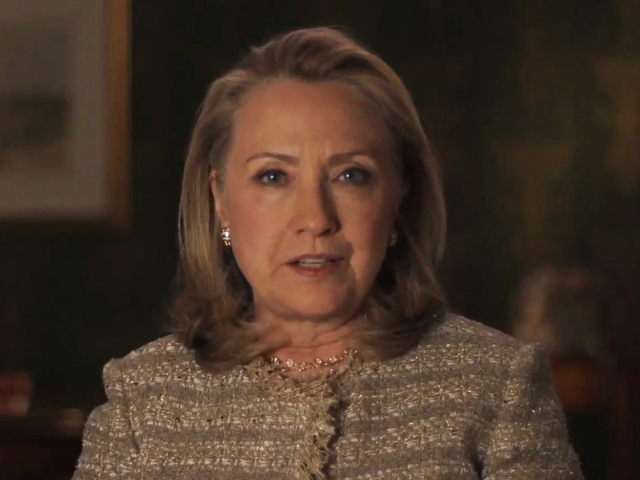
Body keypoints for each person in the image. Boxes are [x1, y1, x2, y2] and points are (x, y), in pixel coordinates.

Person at [73, 27, 582, 479]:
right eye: (273, 176)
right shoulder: (144, 399)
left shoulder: (497, 383)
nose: (316, 218)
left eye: (350, 175)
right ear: (220, 201)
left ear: (397, 198)